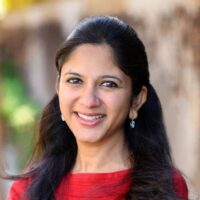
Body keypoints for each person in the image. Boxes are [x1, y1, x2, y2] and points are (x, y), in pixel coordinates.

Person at [7, 15, 188, 200]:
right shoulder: (27, 189)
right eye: (75, 80)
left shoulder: (164, 188)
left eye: (108, 84)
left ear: (137, 100)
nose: (89, 101)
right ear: (58, 88)